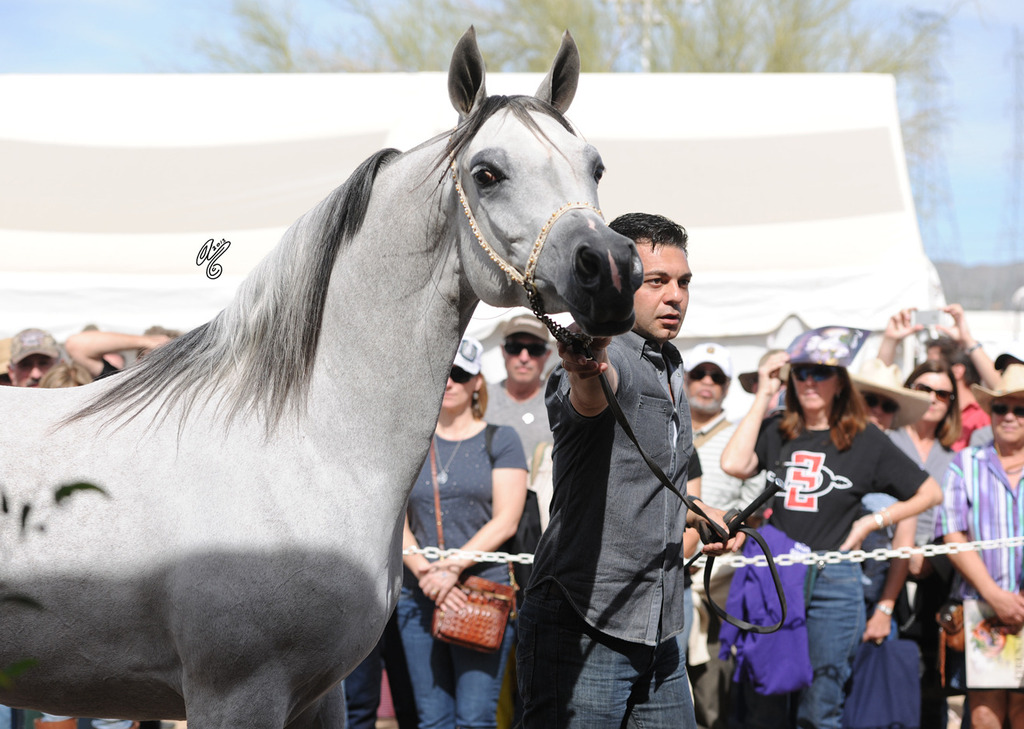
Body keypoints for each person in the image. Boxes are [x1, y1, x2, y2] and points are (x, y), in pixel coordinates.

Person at [517, 212, 738, 729]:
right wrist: (585, 362)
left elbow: (641, 484)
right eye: (657, 281)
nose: (676, 296)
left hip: (659, 626)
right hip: (584, 622)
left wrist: (694, 513)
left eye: (683, 282)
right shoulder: (606, 354)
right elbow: (594, 394)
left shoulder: (670, 362)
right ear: (622, 283)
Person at [720, 329, 943, 729]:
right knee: (767, 698)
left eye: (820, 373)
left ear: (839, 381)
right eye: (801, 372)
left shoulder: (864, 439)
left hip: (834, 580)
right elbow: (734, 464)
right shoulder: (776, 428)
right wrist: (762, 394)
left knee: (821, 705)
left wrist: (871, 522)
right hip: (778, 573)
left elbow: (929, 492)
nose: (808, 382)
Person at [398, 335, 527, 729]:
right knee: (433, 719)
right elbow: (394, 521)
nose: (449, 381)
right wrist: (427, 574)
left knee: (475, 717)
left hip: (480, 591)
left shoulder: (500, 438)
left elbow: (505, 520)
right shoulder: (408, 441)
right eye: (442, 373)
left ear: (476, 383)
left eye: (460, 373)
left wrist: (449, 571)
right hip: (417, 592)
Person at [936, 363, 1024, 729]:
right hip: (982, 610)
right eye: (1000, 408)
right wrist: (996, 595)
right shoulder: (965, 463)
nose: (1009, 416)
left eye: (1020, 409)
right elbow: (951, 533)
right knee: (985, 713)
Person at [682, 342, 761, 729]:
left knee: (710, 687)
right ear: (684, 379)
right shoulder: (664, 430)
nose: (707, 383)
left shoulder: (740, 438)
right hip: (668, 563)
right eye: (699, 374)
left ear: (728, 386)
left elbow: (753, 509)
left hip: (717, 574)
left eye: (717, 376)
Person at [486, 314, 553, 463]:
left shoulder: (560, 402)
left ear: (547, 354)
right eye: (514, 348)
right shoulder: (481, 398)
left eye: (535, 349)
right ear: (503, 351)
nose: (524, 358)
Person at [64, 326, 176, 380]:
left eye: (172, 357)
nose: (163, 364)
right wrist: (148, 341)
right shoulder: (121, 385)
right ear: (139, 360)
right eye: (156, 356)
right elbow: (75, 345)